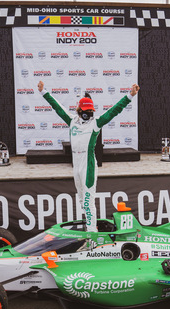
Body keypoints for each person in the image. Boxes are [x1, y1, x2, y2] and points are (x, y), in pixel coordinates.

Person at [37, 80, 140, 232]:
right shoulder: (71, 120)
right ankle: (89, 227)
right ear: (79, 110)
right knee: (81, 199)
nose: (88, 114)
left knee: (88, 200)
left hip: (88, 165)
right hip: (76, 164)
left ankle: (92, 233)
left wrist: (129, 96)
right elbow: (57, 107)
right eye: (86, 111)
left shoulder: (96, 123)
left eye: (90, 111)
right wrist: (43, 92)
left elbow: (114, 111)